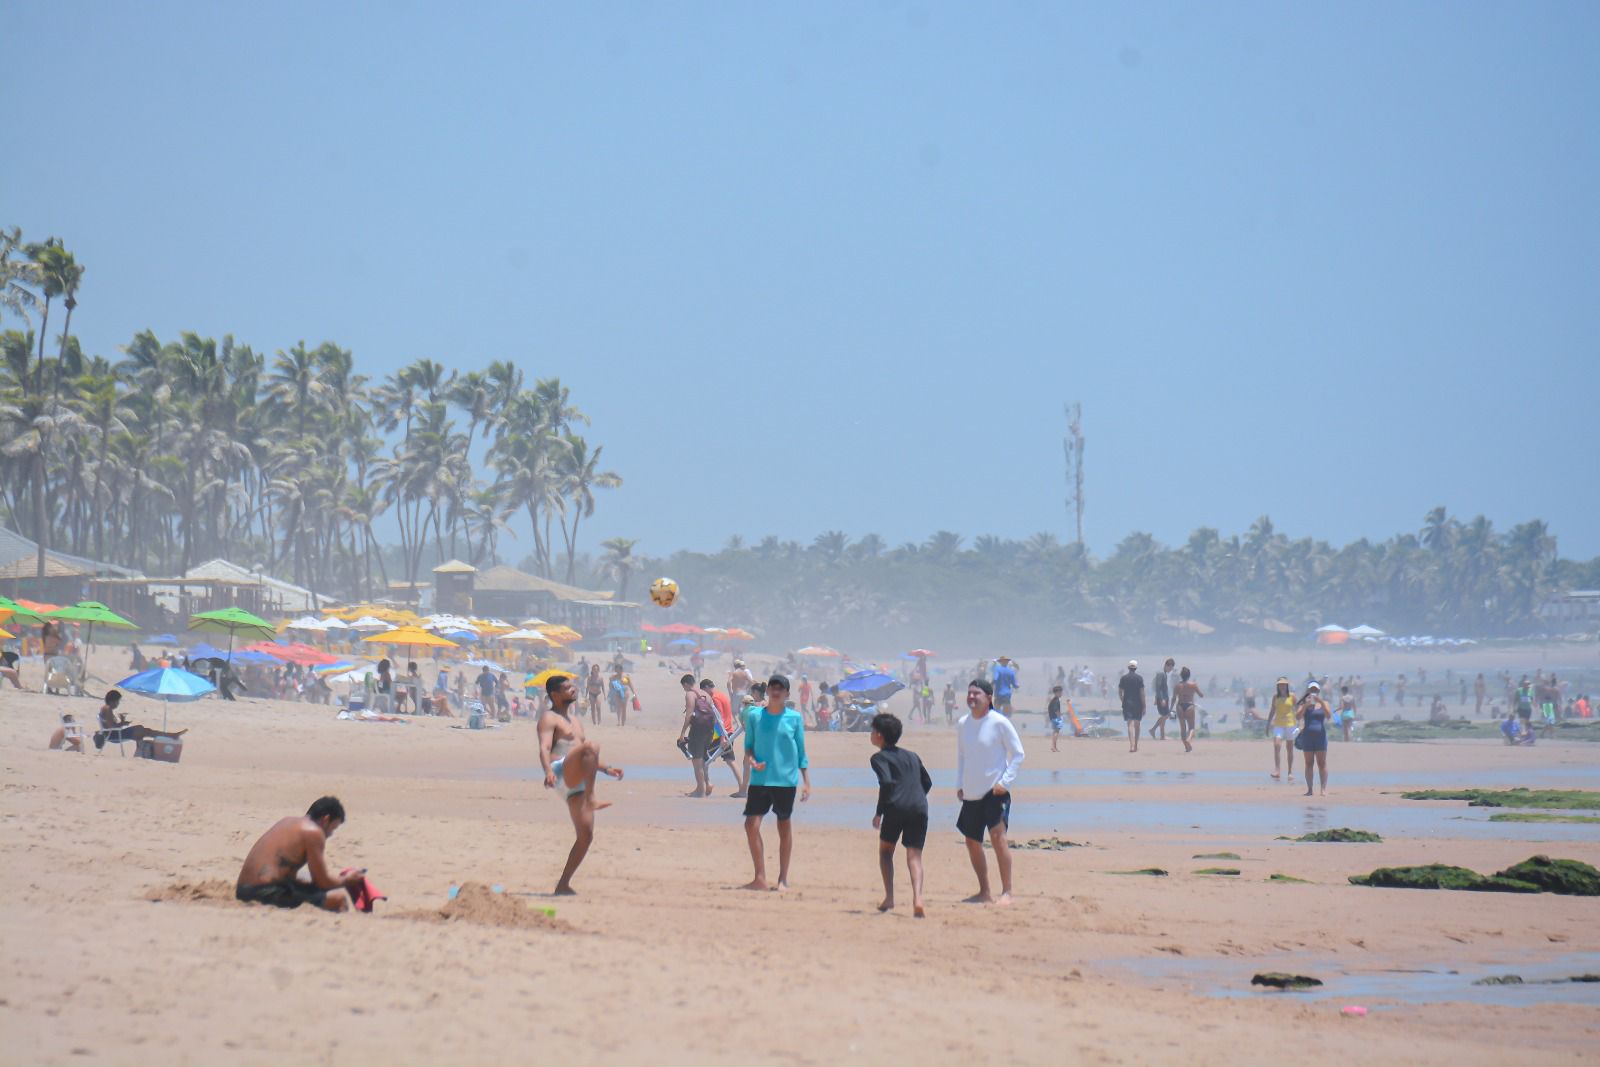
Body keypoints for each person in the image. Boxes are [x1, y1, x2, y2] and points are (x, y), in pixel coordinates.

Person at [538, 674, 624, 895]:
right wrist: (548, 771)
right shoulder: (549, 718)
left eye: (572, 686)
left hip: (577, 779)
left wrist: (605, 769)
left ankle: (563, 884)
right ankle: (592, 797)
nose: (573, 690)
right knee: (592, 745)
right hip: (559, 771)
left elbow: (586, 755)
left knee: (585, 836)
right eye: (567, 688)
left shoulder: (575, 721)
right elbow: (545, 748)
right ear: (555, 695)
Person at [956, 679, 1024, 905]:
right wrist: (959, 784)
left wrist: (1005, 782)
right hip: (971, 791)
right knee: (971, 841)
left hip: (995, 791)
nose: (972, 697)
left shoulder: (999, 723)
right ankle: (984, 891)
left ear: (988, 698)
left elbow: (1018, 754)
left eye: (976, 693)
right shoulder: (963, 723)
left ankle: (1007, 892)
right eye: (969, 693)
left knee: (997, 837)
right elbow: (962, 756)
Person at [741, 674, 810, 891]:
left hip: (785, 781)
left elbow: (801, 751)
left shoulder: (794, 718)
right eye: (773, 687)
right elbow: (749, 747)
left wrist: (806, 781)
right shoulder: (754, 716)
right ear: (768, 691)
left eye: (781, 688)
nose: (776, 691)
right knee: (751, 825)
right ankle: (760, 877)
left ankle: (782, 879)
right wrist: (752, 760)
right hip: (760, 780)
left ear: (787, 693)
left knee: (784, 827)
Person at [236, 796, 367, 911]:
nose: (330, 835)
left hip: (243, 889)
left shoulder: (288, 821)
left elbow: (287, 872)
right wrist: (347, 880)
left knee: (307, 881)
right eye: (333, 829)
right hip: (263, 892)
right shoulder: (313, 832)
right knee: (339, 899)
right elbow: (323, 882)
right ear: (325, 819)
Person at [869, 712, 931, 917]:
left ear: (879, 735)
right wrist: (916, 798)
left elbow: (886, 782)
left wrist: (879, 812)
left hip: (896, 807)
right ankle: (918, 899)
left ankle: (890, 897)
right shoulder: (913, 756)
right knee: (914, 855)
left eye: (872, 731)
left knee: (886, 851)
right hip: (920, 807)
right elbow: (927, 782)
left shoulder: (878, 758)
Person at [94, 690, 186, 751]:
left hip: (113, 734)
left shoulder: (105, 708)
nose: (118, 704)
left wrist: (122, 722)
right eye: (117, 701)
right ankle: (171, 736)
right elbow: (111, 727)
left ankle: (170, 736)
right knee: (144, 731)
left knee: (143, 730)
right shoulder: (108, 709)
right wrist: (122, 724)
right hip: (115, 736)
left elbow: (110, 725)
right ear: (112, 701)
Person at [700, 678, 746, 795]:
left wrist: (722, 738)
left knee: (702, 758)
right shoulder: (721, 695)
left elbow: (720, 719)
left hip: (724, 735)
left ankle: (708, 784)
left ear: (706, 688)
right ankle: (742, 788)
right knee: (730, 760)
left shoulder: (715, 698)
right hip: (728, 732)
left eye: (703, 691)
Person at [676, 673, 719, 797]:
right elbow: (715, 715)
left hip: (698, 730)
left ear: (685, 684)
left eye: (683, 687)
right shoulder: (706, 695)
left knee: (696, 760)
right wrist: (715, 734)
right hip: (710, 730)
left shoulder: (690, 694)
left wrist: (683, 733)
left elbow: (689, 714)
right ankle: (707, 783)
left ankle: (700, 790)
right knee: (703, 759)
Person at [1295, 682, 1331, 797]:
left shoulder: (1324, 703)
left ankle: (1323, 789)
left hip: (1320, 737)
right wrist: (1306, 705)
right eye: (1311, 690)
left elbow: (1329, 716)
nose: (1313, 692)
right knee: (1308, 763)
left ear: (1319, 691)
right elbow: (1298, 716)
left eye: (1315, 690)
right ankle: (1310, 789)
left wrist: (1320, 702)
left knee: (1322, 763)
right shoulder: (1304, 704)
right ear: (1308, 691)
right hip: (1307, 737)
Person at [1268, 678, 1297, 781]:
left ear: (1287, 686)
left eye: (1284, 685)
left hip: (1290, 724)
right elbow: (1272, 710)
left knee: (1289, 748)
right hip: (1278, 724)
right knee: (1277, 745)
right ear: (1278, 686)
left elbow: (1297, 710)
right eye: (1280, 685)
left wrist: (1301, 723)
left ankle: (1290, 772)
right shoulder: (1275, 697)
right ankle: (1277, 770)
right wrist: (1268, 723)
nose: (1282, 686)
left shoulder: (1292, 696)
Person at [1118, 660, 1146, 753]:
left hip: (1127, 703)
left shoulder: (1123, 678)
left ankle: (1131, 745)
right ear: (1136, 668)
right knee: (1137, 724)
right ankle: (1136, 745)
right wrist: (1144, 705)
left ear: (1128, 668)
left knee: (1130, 724)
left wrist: (1123, 700)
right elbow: (1142, 693)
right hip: (1138, 703)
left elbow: (1120, 692)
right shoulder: (1139, 678)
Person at [1172, 667, 1202, 753]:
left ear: (1181, 676)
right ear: (1189, 675)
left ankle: (1187, 747)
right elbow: (1201, 695)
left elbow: (1173, 698)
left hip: (1180, 706)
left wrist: (1170, 708)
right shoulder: (1193, 684)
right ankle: (1188, 740)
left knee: (1182, 729)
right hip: (1189, 705)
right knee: (1191, 727)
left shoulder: (1177, 685)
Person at [1151, 658, 1175, 741]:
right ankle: (1153, 729)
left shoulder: (1163, 673)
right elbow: (1158, 687)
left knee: (1164, 715)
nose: (1170, 670)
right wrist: (1161, 699)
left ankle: (1162, 735)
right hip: (1162, 698)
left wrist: (1157, 697)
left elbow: (1159, 687)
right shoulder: (1161, 673)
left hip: (1163, 697)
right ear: (1166, 665)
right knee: (1166, 715)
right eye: (1170, 668)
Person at [1047, 684, 1065, 752]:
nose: (1061, 693)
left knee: (1055, 731)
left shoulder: (1054, 699)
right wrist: (1060, 717)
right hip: (1055, 718)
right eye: (1060, 692)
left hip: (1053, 718)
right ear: (1056, 693)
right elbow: (1056, 710)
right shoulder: (1056, 700)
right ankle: (1053, 747)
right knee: (1056, 732)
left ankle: (1054, 746)